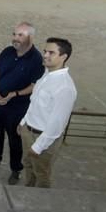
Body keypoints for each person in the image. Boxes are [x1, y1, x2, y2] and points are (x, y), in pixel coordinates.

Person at [0, 22, 44, 185]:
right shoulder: (7, 52)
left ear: (30, 37)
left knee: (15, 140)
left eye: (20, 35)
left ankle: (16, 169)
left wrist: (14, 94)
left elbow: (35, 85)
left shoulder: (36, 59)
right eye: (14, 34)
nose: (15, 38)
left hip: (17, 108)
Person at [19, 38, 77, 188]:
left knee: (42, 172)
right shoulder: (46, 74)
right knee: (28, 164)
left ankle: (39, 200)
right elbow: (34, 102)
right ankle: (28, 189)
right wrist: (23, 122)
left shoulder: (65, 87)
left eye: (51, 52)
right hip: (29, 130)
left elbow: (57, 124)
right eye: (45, 51)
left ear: (63, 57)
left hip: (44, 139)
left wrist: (38, 146)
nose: (45, 55)